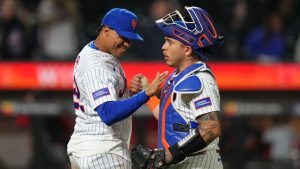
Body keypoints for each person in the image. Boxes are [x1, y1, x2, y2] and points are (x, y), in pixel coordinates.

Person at [67, 8, 168, 169]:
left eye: (130, 39)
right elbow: (108, 113)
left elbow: (103, 95)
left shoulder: (98, 50)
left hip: (90, 149)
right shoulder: (96, 65)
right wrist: (146, 94)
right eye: (123, 37)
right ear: (106, 31)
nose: (127, 43)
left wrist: (127, 92)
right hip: (101, 154)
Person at [130, 6, 224, 168]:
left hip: (199, 163)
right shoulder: (176, 77)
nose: (163, 47)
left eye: (169, 42)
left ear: (187, 49)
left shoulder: (199, 78)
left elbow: (211, 128)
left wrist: (167, 155)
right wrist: (148, 93)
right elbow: (170, 119)